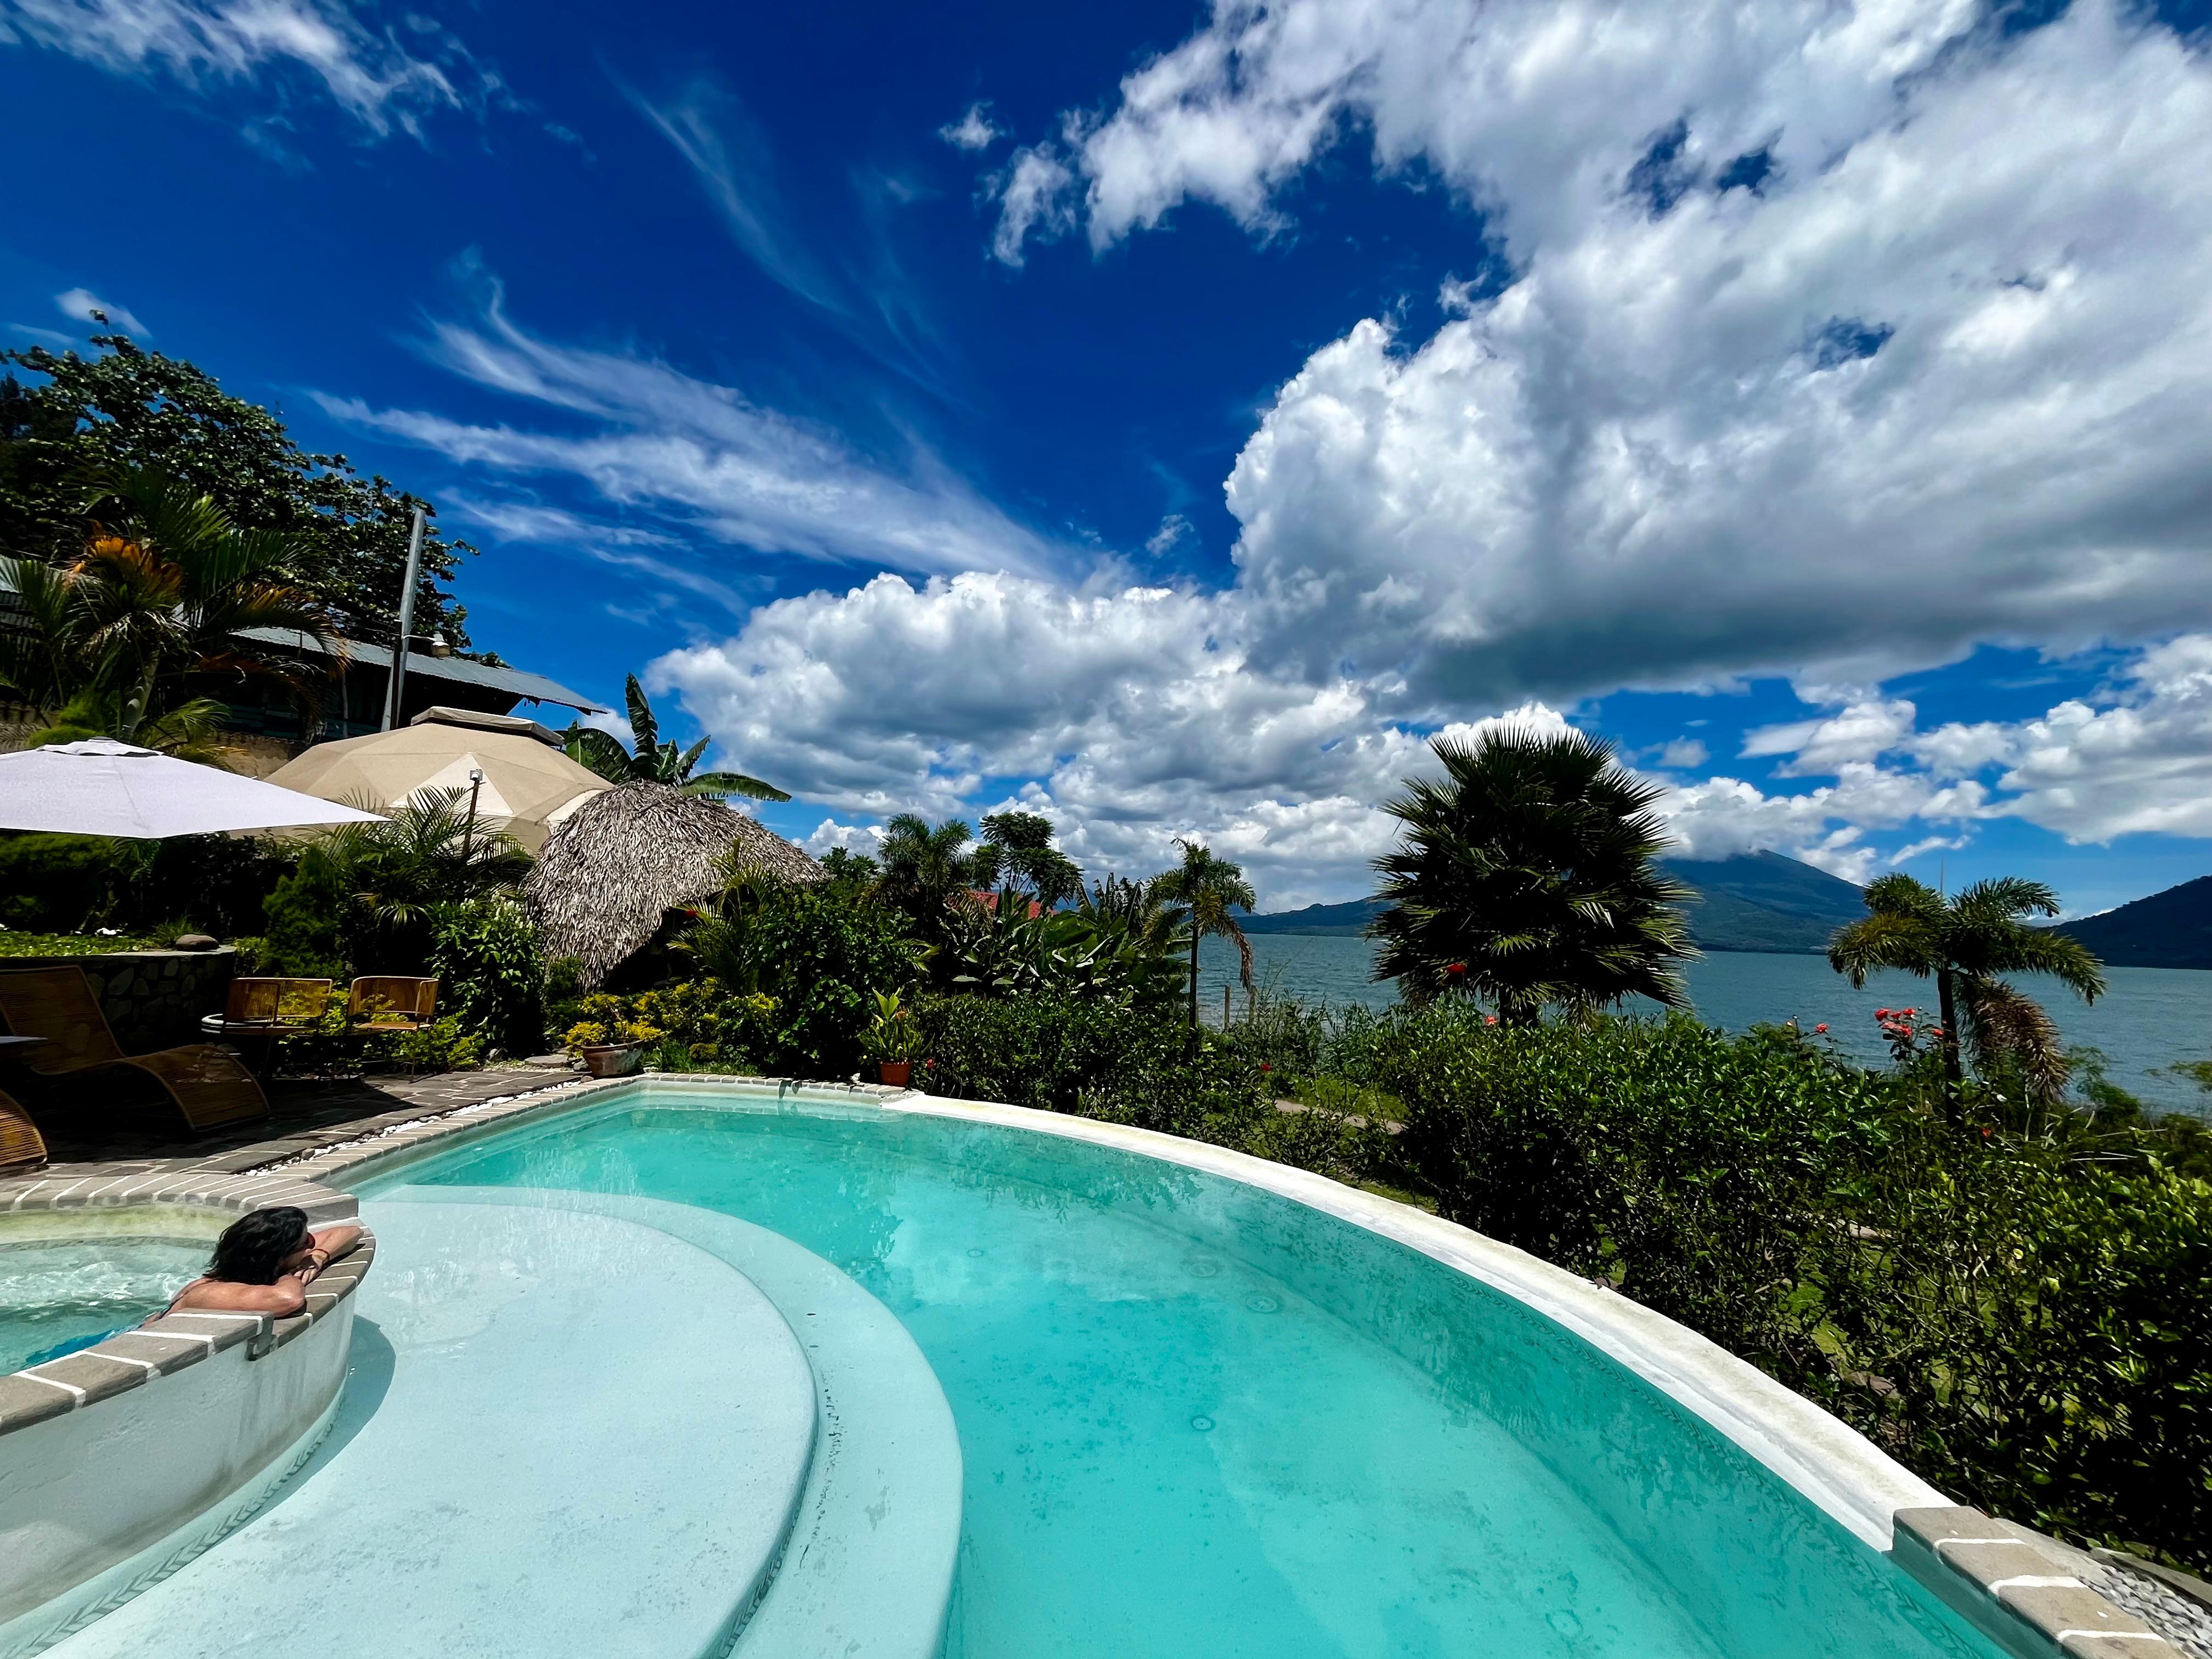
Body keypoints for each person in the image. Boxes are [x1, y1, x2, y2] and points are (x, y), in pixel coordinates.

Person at [164, 1205, 363, 1318]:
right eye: (306, 1242)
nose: (310, 1246)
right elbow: (289, 1300)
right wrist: (289, 1276)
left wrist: (319, 1257)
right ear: (278, 1256)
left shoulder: (248, 1271)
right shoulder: (208, 1291)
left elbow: (352, 1232)